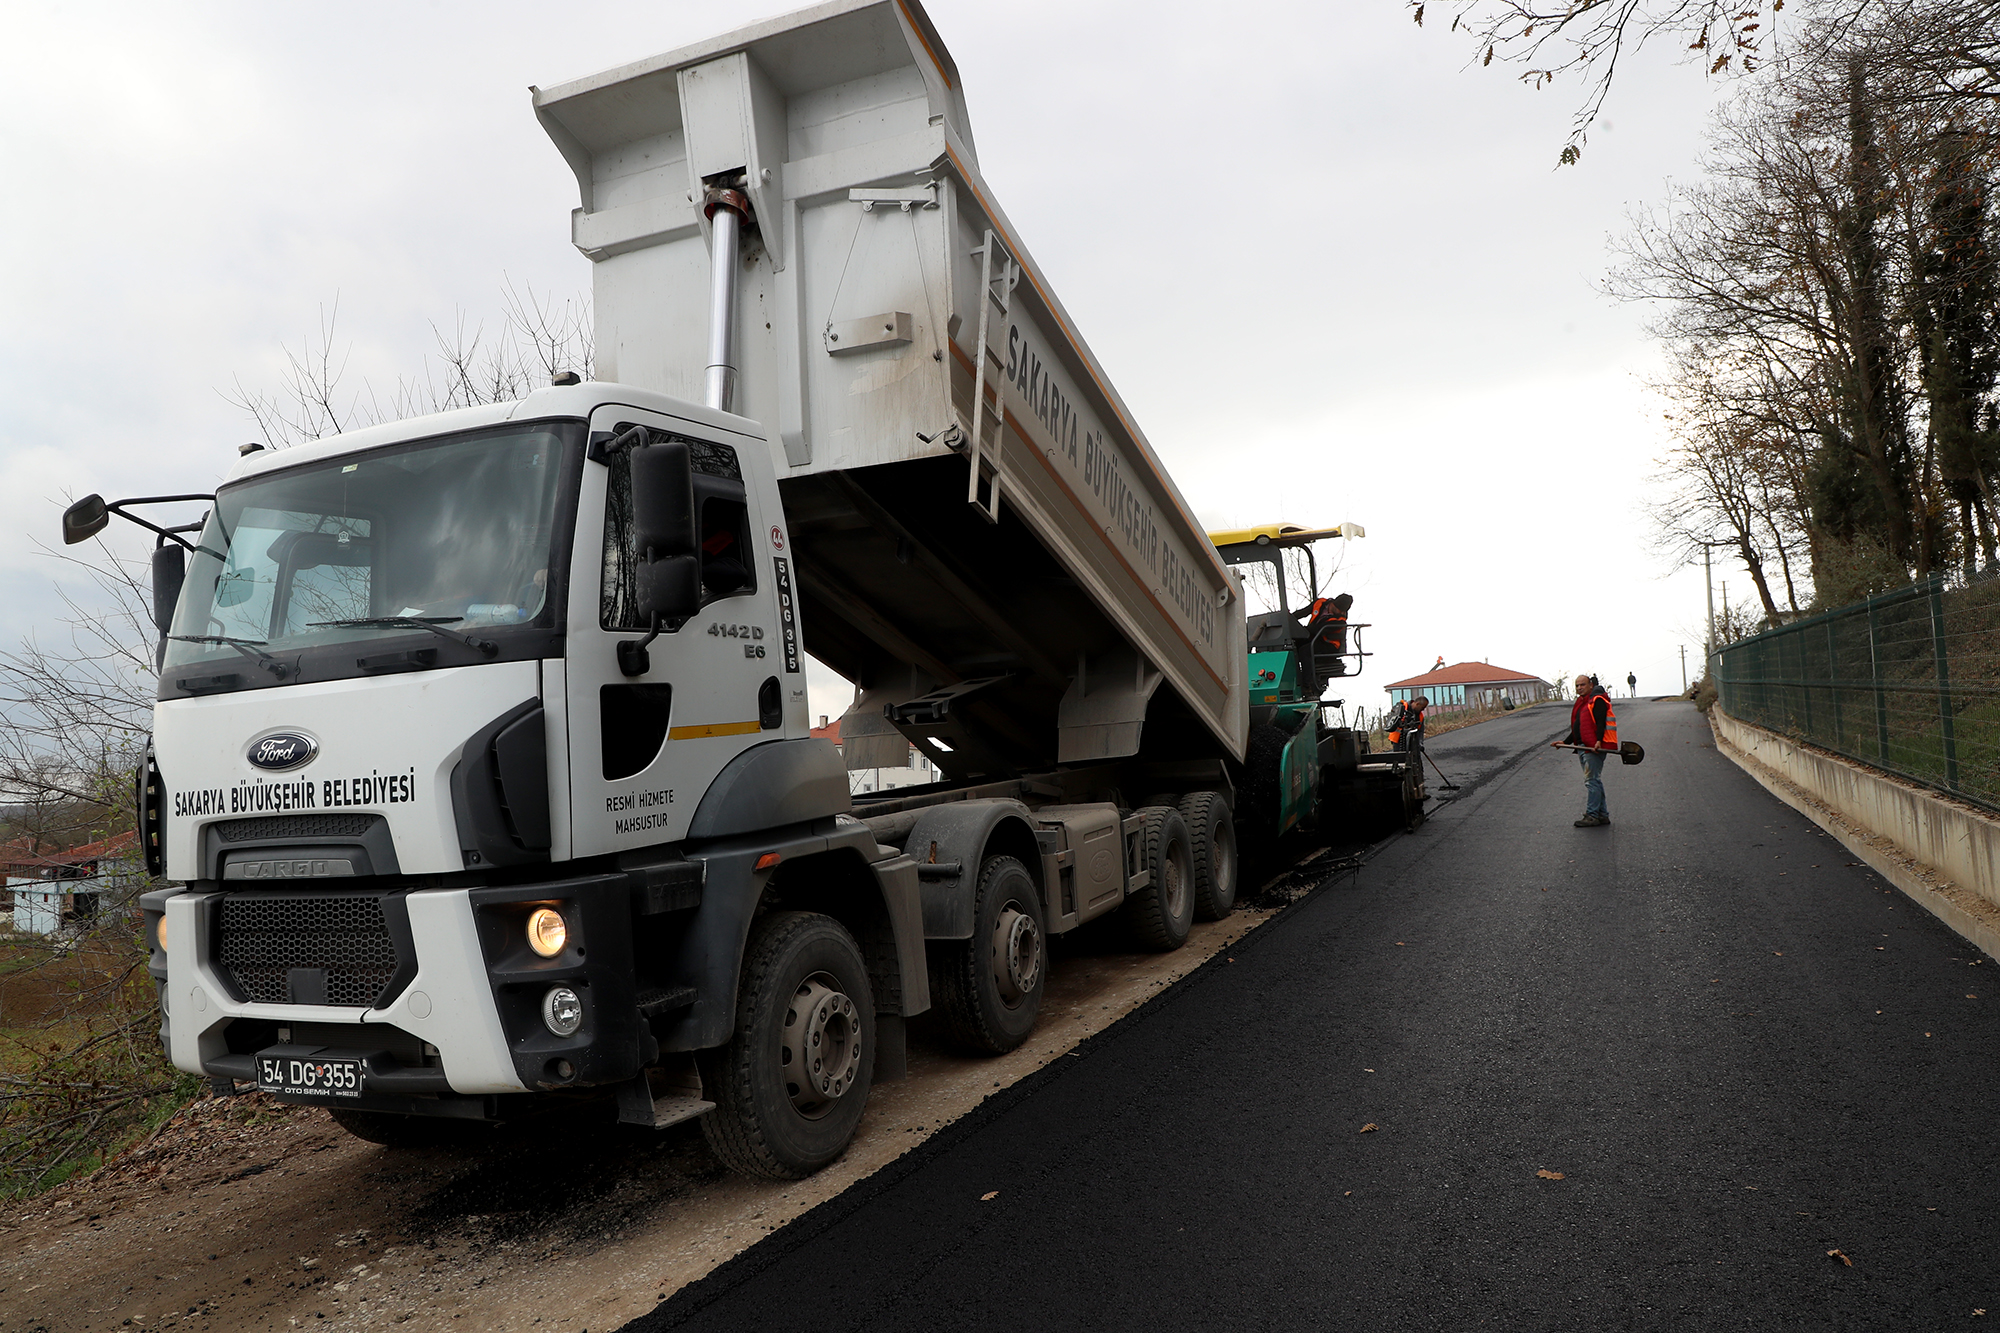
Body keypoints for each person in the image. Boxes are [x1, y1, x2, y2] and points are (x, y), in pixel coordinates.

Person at [1560, 674, 1616, 827]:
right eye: (1577, 685)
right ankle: (1602, 815)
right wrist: (1565, 742)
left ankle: (1592, 815)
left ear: (1590, 685)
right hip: (1583, 746)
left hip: (1593, 747)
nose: (1579, 688)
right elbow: (1579, 726)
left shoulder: (1596, 700)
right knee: (1594, 781)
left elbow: (1600, 722)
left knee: (1591, 781)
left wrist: (1598, 741)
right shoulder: (1583, 702)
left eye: (1582, 685)